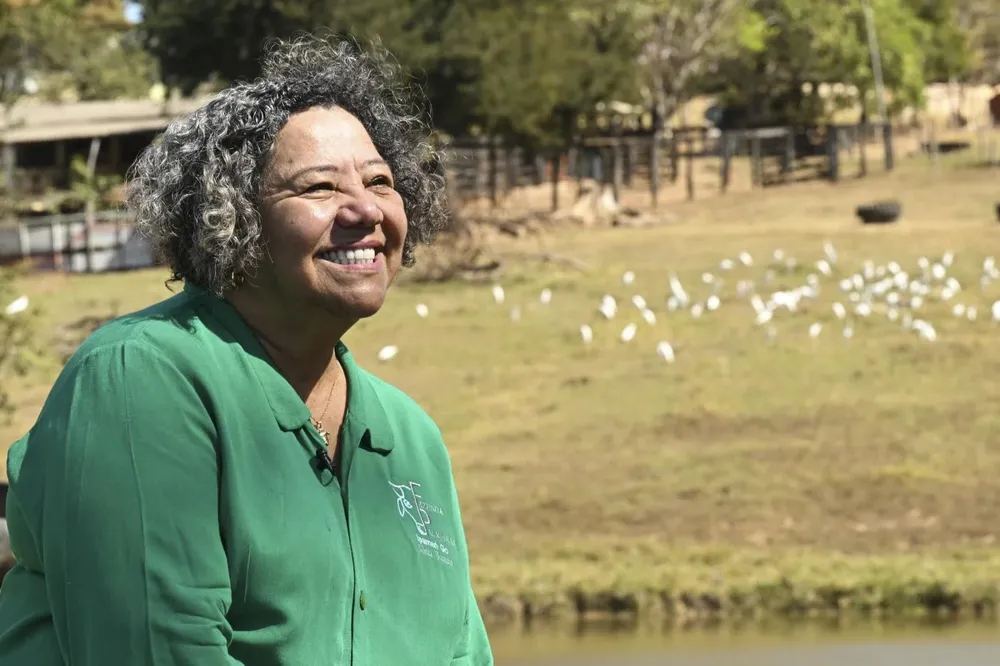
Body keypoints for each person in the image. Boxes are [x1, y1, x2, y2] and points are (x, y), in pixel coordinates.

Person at [0, 34, 493, 666]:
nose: (365, 208)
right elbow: (158, 651)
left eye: (381, 181)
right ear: (231, 218)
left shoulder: (411, 438)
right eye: (319, 187)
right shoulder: (140, 378)